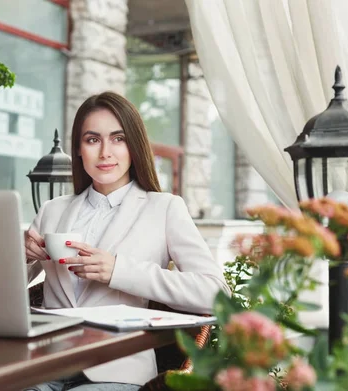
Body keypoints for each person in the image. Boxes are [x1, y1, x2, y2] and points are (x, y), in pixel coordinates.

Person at [24, 91, 229, 391]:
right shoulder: (52, 210)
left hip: (117, 370)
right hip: (45, 364)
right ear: (79, 149)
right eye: (92, 140)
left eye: (118, 139)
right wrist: (22, 255)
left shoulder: (164, 208)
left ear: (134, 146)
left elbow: (216, 294)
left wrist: (118, 271)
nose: (105, 152)